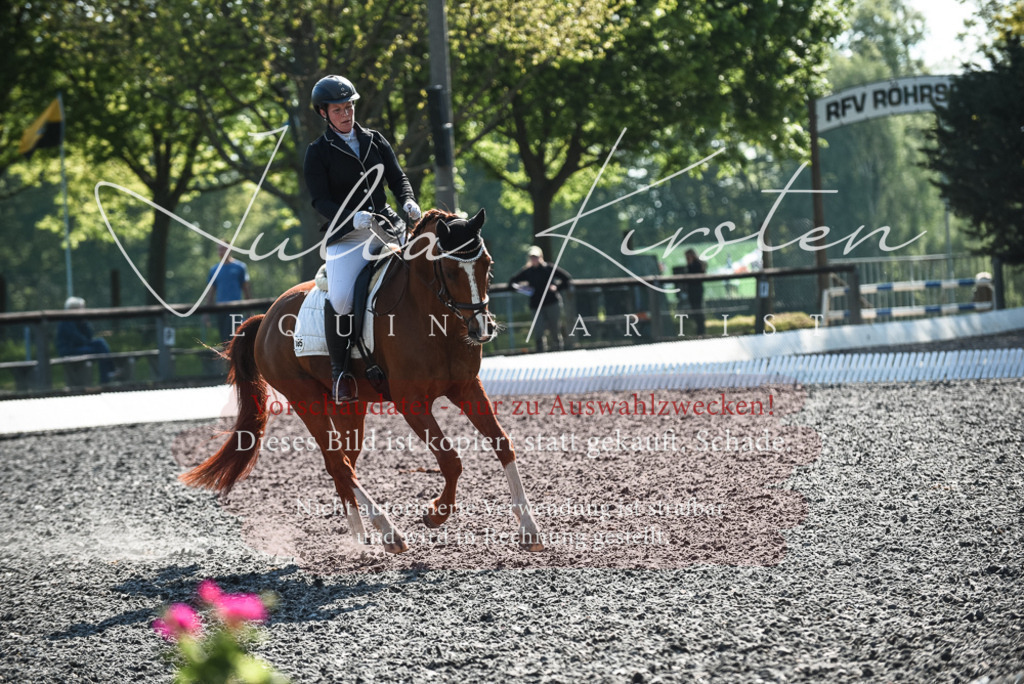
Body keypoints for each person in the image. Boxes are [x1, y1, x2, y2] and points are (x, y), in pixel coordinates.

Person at [303, 74, 420, 402]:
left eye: (349, 107)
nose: (346, 114)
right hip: (349, 236)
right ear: (324, 113)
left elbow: (397, 178)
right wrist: (349, 217)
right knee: (341, 298)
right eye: (338, 109)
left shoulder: (375, 140)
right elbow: (320, 201)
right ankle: (340, 372)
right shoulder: (317, 152)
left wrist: (407, 200)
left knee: (425, 270)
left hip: (387, 226)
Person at [508, 246, 572, 353]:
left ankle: (558, 351)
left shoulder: (549, 268)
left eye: (536, 257)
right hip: (536, 305)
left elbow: (566, 278)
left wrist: (557, 287)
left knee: (554, 328)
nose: (534, 259)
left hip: (551, 302)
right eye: (532, 257)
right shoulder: (527, 271)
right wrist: (522, 288)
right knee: (538, 330)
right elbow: (512, 282)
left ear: (541, 256)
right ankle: (541, 353)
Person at [55, 296, 116, 383]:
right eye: (82, 308)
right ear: (74, 309)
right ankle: (106, 377)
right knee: (100, 350)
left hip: (79, 347)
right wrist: (88, 342)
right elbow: (76, 339)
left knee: (100, 342)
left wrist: (85, 323)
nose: (84, 310)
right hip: (69, 351)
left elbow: (89, 336)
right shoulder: (66, 321)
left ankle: (110, 372)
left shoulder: (79, 320)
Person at [206, 244, 252, 343]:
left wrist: (249, 309)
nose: (221, 252)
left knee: (233, 337)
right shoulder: (214, 270)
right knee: (224, 339)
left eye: (223, 249)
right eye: (219, 250)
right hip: (220, 309)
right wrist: (206, 313)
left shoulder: (240, 267)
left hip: (235, 308)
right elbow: (211, 291)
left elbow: (246, 289)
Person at [685, 248, 707, 336]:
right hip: (692, 290)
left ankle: (701, 330)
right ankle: (699, 329)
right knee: (695, 309)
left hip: (696, 289)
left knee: (698, 309)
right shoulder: (691, 264)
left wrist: (690, 264)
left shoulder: (697, 264)